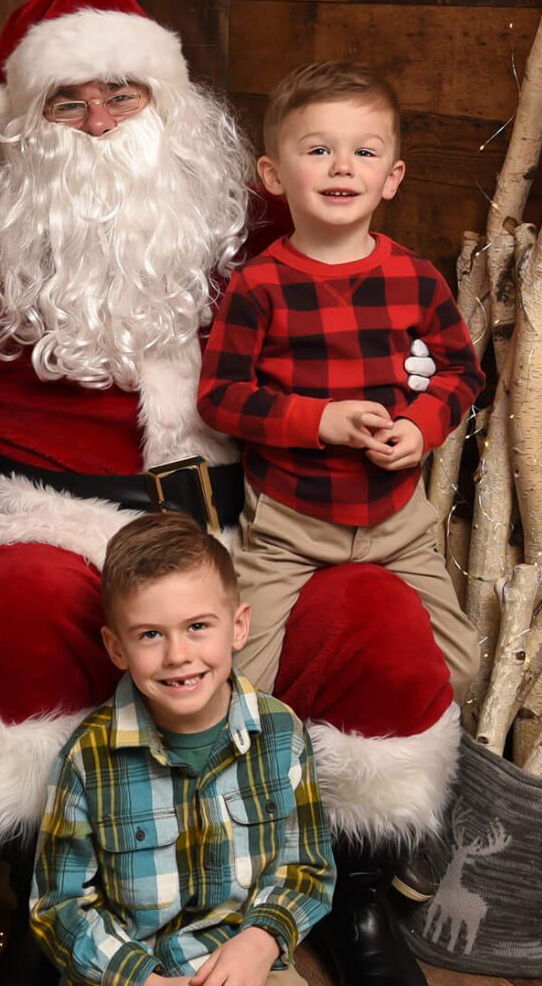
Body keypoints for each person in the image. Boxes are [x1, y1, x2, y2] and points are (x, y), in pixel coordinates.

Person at [0, 0, 466, 986]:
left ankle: (354, 899)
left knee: (376, 611)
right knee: (30, 605)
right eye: (66, 102)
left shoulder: (249, 210)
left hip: (245, 522)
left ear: (168, 103)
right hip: (56, 518)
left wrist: (412, 407)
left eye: (121, 94)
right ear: (23, 124)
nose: (97, 122)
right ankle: (48, 925)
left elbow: (376, 271)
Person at [28, 513, 406, 986]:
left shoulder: (279, 732)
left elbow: (307, 867)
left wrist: (262, 941)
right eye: (151, 634)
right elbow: (58, 909)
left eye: (198, 626)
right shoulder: (90, 756)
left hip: (237, 962)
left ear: (238, 625)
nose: (179, 655)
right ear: (116, 646)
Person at [199, 61, 485, 712]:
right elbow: (219, 397)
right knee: (243, 678)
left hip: (397, 522)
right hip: (289, 524)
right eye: (319, 150)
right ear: (274, 175)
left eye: (364, 152)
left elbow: (460, 369)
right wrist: (316, 421)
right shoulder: (259, 285)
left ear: (391, 178)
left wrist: (419, 428)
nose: (342, 167)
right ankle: (278, 768)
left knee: (458, 670)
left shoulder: (413, 278)